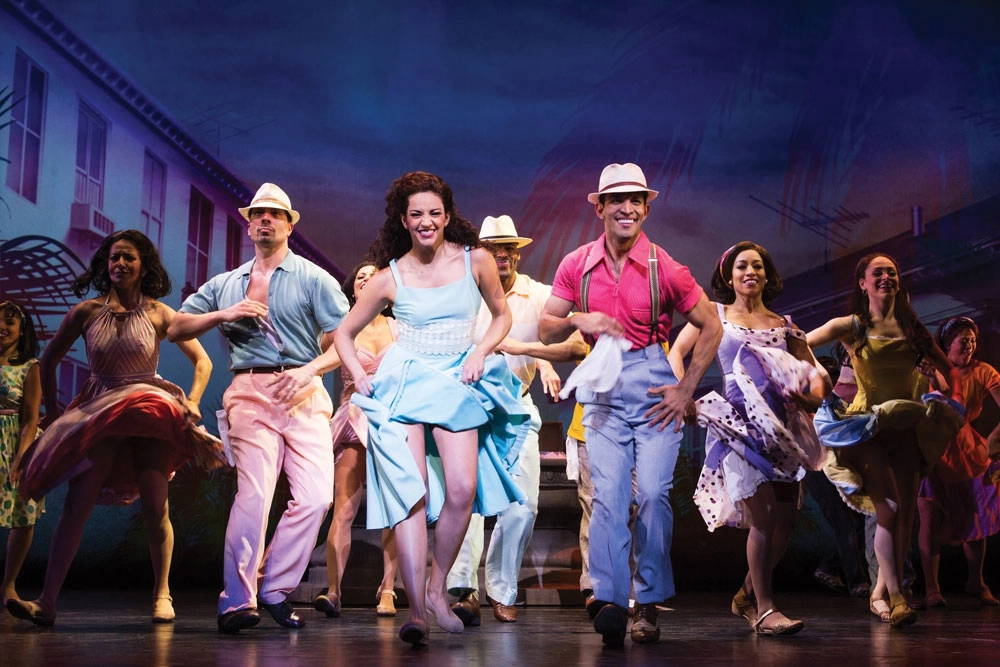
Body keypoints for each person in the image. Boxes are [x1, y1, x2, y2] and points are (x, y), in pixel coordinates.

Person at [333, 172, 529, 646]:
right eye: (416, 214)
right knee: (412, 492)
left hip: (457, 376)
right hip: (404, 381)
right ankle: (417, 610)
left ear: (447, 216)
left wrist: (481, 351)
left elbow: (501, 315)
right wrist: (361, 376)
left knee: (463, 490)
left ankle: (437, 587)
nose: (425, 221)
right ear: (403, 220)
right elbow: (343, 333)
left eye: (434, 213)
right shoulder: (388, 277)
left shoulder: (476, 260)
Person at [539, 162, 722, 646]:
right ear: (599, 206)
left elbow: (711, 326)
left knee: (654, 497)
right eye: (616, 199)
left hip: (652, 381)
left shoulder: (666, 265)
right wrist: (587, 318)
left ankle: (648, 601)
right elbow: (546, 326)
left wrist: (687, 389)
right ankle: (613, 601)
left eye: (636, 199)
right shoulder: (576, 264)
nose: (627, 208)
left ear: (645, 206)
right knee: (608, 499)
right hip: (602, 384)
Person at [7, 230, 223, 626]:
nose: (119, 264)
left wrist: (191, 400)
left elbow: (204, 362)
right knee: (76, 505)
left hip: (147, 410)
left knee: (156, 504)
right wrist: (56, 415)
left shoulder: (159, 313)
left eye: (128, 258)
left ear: (144, 267)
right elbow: (47, 361)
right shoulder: (86, 312)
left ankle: (162, 594)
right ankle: (48, 601)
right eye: (113, 258)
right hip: (100, 411)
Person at [168, 183, 349, 634]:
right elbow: (176, 327)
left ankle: (273, 587)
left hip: (303, 392)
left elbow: (346, 339)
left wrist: (309, 371)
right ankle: (236, 600)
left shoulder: (313, 277)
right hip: (249, 390)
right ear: (249, 225)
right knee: (255, 495)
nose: (265, 220)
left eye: (275, 214)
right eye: (258, 214)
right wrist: (223, 315)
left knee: (315, 498)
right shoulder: (227, 282)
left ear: (289, 224)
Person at [669, 241, 827, 636]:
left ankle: (745, 594)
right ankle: (765, 609)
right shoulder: (714, 315)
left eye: (757, 265)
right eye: (742, 266)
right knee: (765, 516)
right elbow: (676, 353)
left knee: (785, 523)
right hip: (739, 427)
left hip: (784, 431)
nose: (750, 272)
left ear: (767, 274)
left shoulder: (785, 324)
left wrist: (805, 392)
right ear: (728, 275)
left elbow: (815, 379)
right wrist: (683, 391)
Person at [807, 252, 964, 628]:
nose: (886, 277)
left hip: (907, 427)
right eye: (877, 272)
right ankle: (896, 598)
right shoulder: (853, 326)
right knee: (888, 511)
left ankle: (879, 592)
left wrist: (952, 398)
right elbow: (800, 343)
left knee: (903, 519)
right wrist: (816, 376)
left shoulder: (913, 329)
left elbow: (950, 371)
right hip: (869, 427)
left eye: (892, 272)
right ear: (863, 283)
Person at [447, 216, 585, 625]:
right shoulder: (461, 295)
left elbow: (578, 341)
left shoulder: (539, 296)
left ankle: (502, 590)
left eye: (507, 246)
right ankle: (463, 590)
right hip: (466, 408)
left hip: (517, 407)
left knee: (524, 504)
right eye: (491, 247)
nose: (501, 254)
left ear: (518, 252)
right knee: (465, 501)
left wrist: (537, 356)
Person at [314, 262, 399, 619]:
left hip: (391, 421)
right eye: (359, 276)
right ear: (353, 289)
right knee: (344, 509)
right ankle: (334, 591)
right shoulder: (340, 329)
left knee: (395, 510)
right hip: (352, 420)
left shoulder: (400, 328)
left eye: (373, 275)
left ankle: (389, 590)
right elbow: (315, 363)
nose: (366, 279)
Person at [916, 316, 1000, 608]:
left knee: (975, 516)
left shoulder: (982, 371)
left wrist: (994, 438)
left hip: (967, 449)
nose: (970, 346)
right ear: (946, 344)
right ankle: (931, 589)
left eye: (973, 340)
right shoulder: (929, 368)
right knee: (929, 518)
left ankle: (976, 582)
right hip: (932, 448)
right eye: (963, 340)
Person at [0, 301, 42, 608]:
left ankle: (9, 586)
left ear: (20, 330)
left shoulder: (29, 367)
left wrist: (21, 458)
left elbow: (30, 418)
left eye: (9, 323)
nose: (2, 327)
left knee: (22, 515)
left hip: (15, 442)